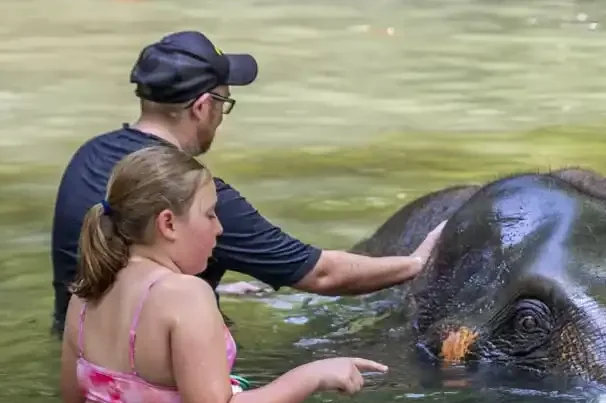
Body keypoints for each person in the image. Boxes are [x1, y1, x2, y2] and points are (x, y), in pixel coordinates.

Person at [49, 30, 445, 336]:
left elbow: (117, 270)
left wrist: (206, 285)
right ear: (203, 107)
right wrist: (416, 263)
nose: (222, 116)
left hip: (88, 356)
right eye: (224, 102)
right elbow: (322, 274)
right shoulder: (192, 195)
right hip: (163, 371)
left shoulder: (89, 155)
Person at [59, 144, 388, 403]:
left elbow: (72, 399)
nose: (219, 229)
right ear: (168, 223)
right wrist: (311, 375)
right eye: (210, 214)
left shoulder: (85, 293)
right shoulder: (185, 295)